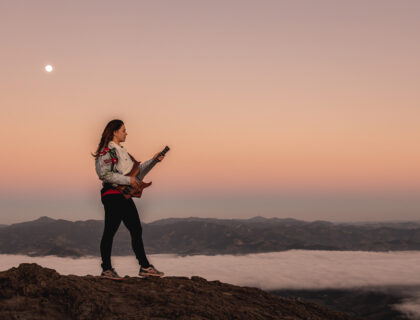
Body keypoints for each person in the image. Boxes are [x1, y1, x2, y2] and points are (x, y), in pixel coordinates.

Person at [92, 119, 165, 280]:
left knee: (134, 229)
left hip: (122, 196)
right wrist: (127, 181)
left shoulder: (122, 152)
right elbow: (103, 174)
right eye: (123, 130)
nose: (126, 133)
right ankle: (109, 269)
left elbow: (136, 172)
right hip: (113, 195)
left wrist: (154, 161)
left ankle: (143, 267)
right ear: (114, 132)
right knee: (112, 231)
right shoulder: (107, 152)